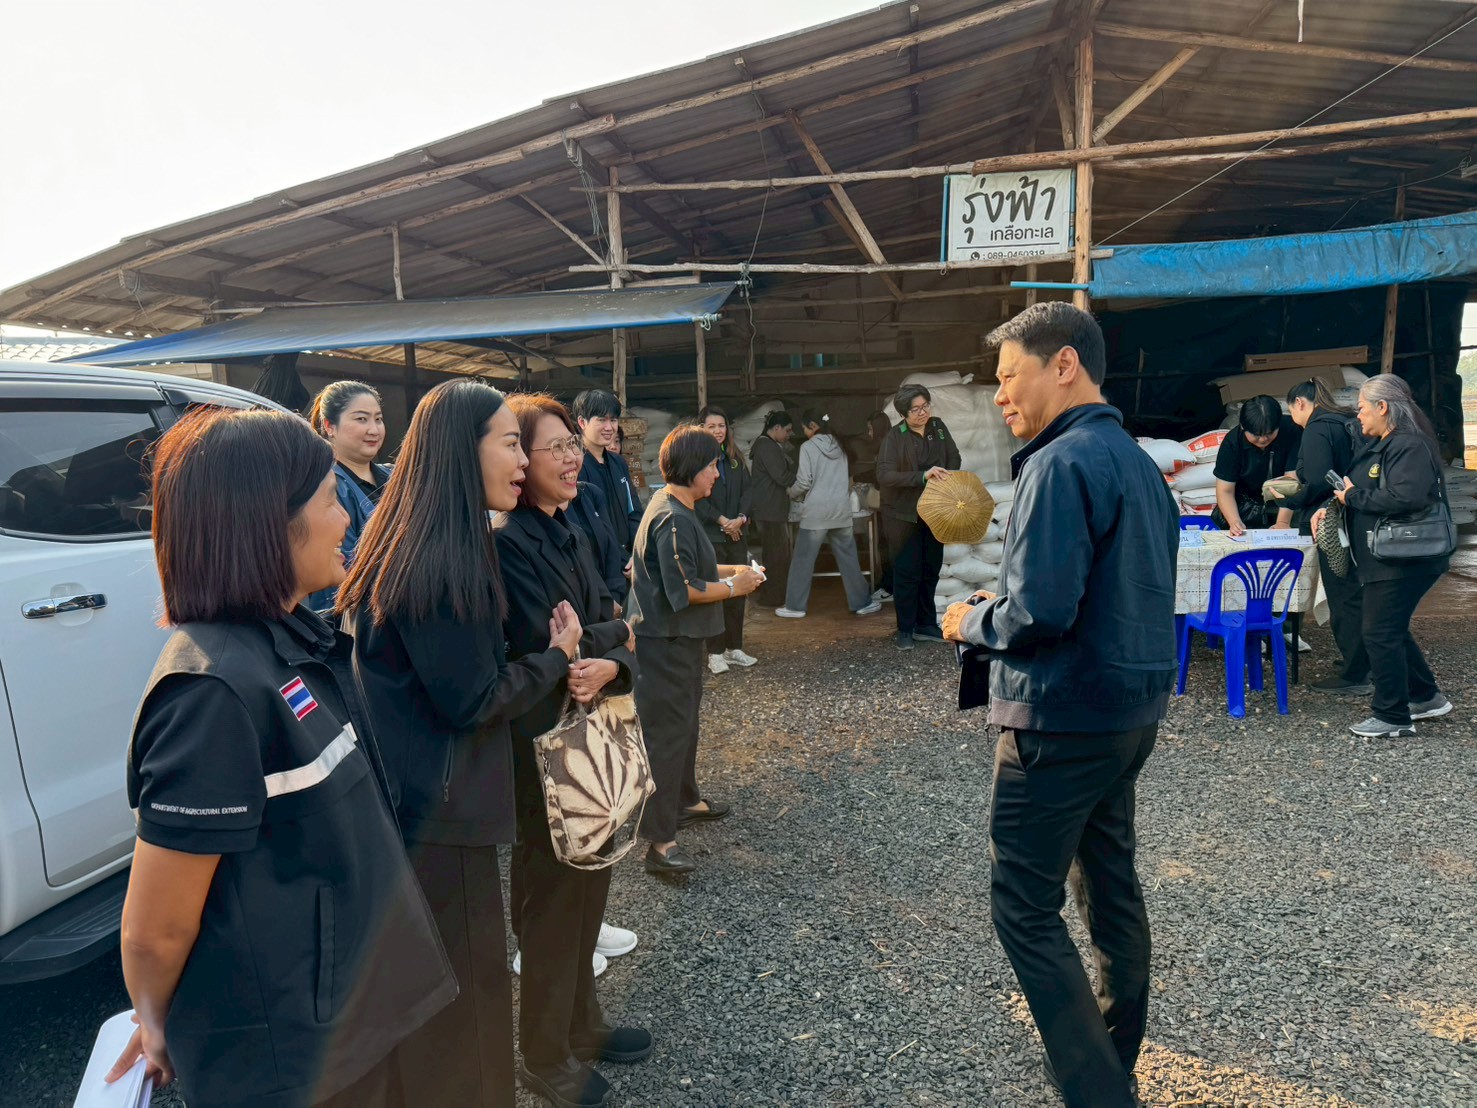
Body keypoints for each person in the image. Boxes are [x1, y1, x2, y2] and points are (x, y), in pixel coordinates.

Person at [110, 407, 454, 1107]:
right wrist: (152, 1019)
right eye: (330, 500)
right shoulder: (211, 694)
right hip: (290, 1060)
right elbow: (155, 929)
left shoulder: (287, 645)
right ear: (268, 523)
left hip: (348, 1023)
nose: (347, 520)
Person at [944, 303, 1177, 1108]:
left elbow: (1040, 612)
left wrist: (970, 621)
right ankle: (1111, 1058)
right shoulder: (1136, 463)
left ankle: (1096, 1090)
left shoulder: (1057, 462)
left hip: (1058, 717)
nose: (1001, 395)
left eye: (1010, 376)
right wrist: (1006, 603)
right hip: (1127, 713)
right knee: (1110, 887)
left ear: (1064, 365)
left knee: (1023, 906)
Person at [339, 379, 582, 1107]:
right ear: (460, 451)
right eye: (510, 443)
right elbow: (474, 698)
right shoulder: (441, 562)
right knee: (468, 1009)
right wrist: (556, 658)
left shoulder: (422, 539)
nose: (523, 460)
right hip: (443, 818)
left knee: (446, 998)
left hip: (421, 806)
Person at [493, 394, 651, 1108]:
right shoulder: (509, 543)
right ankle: (543, 1052)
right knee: (553, 900)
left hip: (594, 732)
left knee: (591, 883)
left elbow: (613, 625)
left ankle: (582, 1024)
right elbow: (542, 646)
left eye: (568, 444)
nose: (568, 458)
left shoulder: (572, 528)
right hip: (544, 747)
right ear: (517, 460)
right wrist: (600, 638)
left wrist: (610, 654)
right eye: (551, 447)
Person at [629, 426, 763, 877]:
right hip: (664, 646)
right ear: (690, 469)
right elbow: (684, 589)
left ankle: (686, 801)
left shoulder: (677, 507)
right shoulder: (672, 517)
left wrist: (735, 570)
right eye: (711, 466)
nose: (717, 475)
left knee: (684, 729)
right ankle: (659, 843)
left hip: (679, 644)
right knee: (667, 739)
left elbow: (695, 566)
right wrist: (733, 586)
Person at [1317, 374, 1453, 739]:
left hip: (1404, 557)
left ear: (1383, 407)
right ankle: (1425, 697)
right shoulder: (1385, 443)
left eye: (1362, 408)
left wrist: (1353, 497)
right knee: (1389, 628)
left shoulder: (1409, 446)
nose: (1358, 415)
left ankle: (1392, 715)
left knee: (1379, 632)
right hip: (1387, 556)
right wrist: (1335, 504)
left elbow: (1406, 497)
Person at [1272, 378, 1370, 695]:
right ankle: (1363, 662)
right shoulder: (1344, 421)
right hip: (1355, 516)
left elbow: (1316, 482)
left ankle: (1356, 674)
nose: (1294, 418)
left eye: (1292, 411)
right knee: (1354, 591)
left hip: (1330, 521)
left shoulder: (1316, 429)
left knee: (1342, 594)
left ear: (1300, 403)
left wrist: (1288, 499)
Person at [876, 384, 960, 650]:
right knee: (907, 571)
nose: (923, 412)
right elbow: (885, 475)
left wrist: (946, 476)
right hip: (903, 515)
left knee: (930, 568)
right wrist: (923, 476)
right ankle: (905, 629)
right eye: (915, 409)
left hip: (934, 512)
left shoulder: (938, 427)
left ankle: (925, 624)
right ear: (903, 414)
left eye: (925, 406)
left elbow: (954, 457)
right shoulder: (894, 437)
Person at [777, 410, 882, 619]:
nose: (805, 433)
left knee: (803, 560)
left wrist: (791, 492)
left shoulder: (808, 447)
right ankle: (862, 603)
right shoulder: (841, 445)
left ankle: (795, 607)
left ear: (812, 426)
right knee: (849, 559)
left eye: (805, 429)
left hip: (816, 513)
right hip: (841, 510)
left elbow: (804, 481)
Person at [305, 380, 390, 612]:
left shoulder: (395, 478)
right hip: (351, 614)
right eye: (361, 419)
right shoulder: (324, 486)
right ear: (330, 426)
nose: (374, 429)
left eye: (378, 419)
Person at [695, 405, 755, 674]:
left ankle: (734, 647)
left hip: (737, 533)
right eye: (712, 426)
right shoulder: (697, 460)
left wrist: (740, 518)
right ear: (701, 429)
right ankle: (715, 652)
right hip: (711, 535)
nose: (718, 431)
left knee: (739, 590)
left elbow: (748, 491)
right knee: (716, 592)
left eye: (721, 426)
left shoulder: (734, 459)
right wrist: (721, 521)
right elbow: (697, 499)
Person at [1211, 395, 1302, 535]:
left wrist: (1282, 523)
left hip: (1285, 504)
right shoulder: (1232, 442)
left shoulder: (1292, 430)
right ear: (1243, 427)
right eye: (1257, 435)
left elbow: (1290, 483)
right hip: (1246, 505)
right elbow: (1225, 490)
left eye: (1269, 433)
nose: (1263, 439)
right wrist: (1234, 522)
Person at [574, 389, 643, 556]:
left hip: (630, 557)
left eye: (613, 420)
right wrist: (620, 558)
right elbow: (587, 524)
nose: (609, 427)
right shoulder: (575, 465)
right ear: (582, 422)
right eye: (601, 420)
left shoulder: (618, 462)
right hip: (598, 559)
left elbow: (633, 510)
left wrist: (636, 553)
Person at [749, 409, 798, 608]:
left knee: (774, 554)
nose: (789, 435)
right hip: (770, 510)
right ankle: (773, 598)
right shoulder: (767, 446)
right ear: (776, 427)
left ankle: (773, 596)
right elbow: (782, 477)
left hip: (769, 508)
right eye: (787, 430)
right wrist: (803, 475)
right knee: (776, 556)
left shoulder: (767, 445)